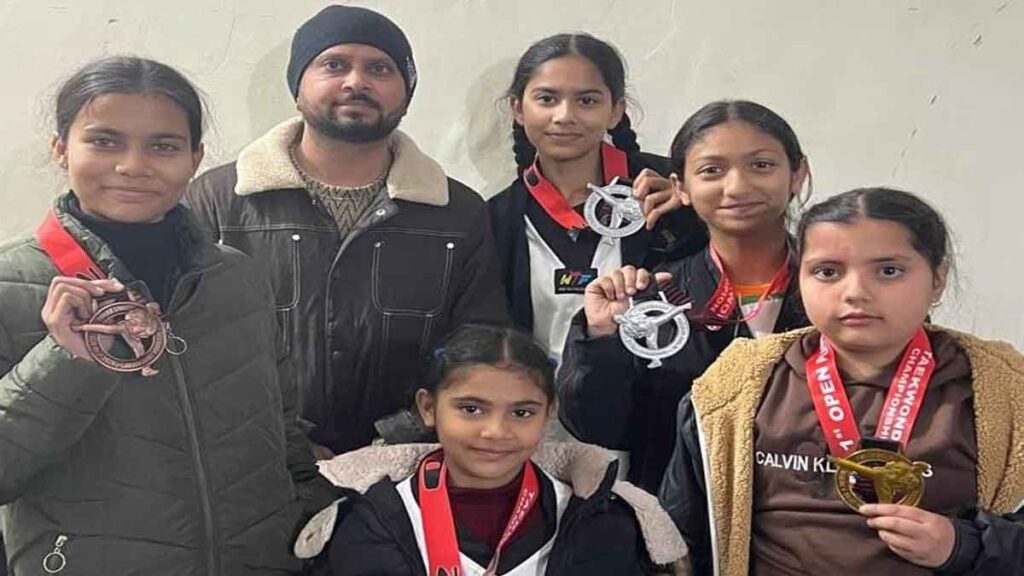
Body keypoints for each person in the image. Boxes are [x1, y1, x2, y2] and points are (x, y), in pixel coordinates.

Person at [0, 56, 334, 574]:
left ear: (195, 157)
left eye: (164, 146)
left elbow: (280, 426)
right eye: (104, 141)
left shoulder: (237, 278)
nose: (133, 165)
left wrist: (309, 514)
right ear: (61, 148)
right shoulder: (10, 287)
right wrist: (65, 361)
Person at [186, 5, 506, 459]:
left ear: (406, 94)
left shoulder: (456, 213)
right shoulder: (220, 200)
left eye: (380, 68)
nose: (356, 82)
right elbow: (192, 343)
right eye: (334, 65)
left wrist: (395, 438)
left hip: (408, 465)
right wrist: (286, 440)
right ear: (298, 88)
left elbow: (478, 346)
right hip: (254, 461)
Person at [659, 187, 1024, 575]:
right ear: (799, 277)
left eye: (889, 271)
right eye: (827, 272)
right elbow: (676, 540)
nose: (855, 293)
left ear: (938, 279)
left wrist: (964, 546)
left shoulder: (1005, 393)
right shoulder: (733, 389)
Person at [294, 324, 690, 575]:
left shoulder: (599, 522)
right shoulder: (371, 522)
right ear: (428, 408)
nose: (496, 431)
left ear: (548, 413)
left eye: (521, 412)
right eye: (471, 409)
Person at [559, 100, 811, 491]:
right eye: (712, 170)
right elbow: (600, 428)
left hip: (809, 514)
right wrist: (601, 337)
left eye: (761, 165)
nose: (737, 186)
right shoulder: (650, 298)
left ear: (797, 175)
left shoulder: (839, 293)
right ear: (681, 188)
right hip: (679, 520)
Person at [488, 33, 706, 366]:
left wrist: (701, 209)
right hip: (538, 396)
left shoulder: (671, 192)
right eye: (547, 99)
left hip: (660, 392)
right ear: (518, 109)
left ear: (616, 111)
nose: (565, 115)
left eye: (587, 101)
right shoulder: (496, 219)